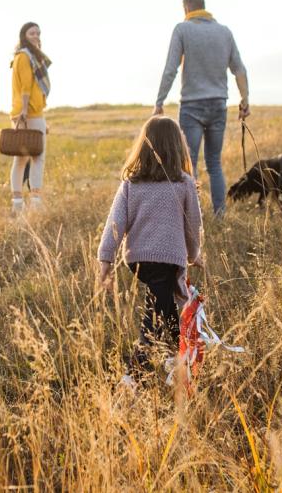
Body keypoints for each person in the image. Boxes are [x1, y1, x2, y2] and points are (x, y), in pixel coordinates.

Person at [98, 116, 203, 388]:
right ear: (177, 148)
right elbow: (193, 225)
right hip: (168, 259)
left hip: (138, 261)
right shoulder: (183, 183)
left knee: (164, 304)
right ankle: (133, 375)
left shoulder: (132, 183)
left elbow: (115, 224)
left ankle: (173, 357)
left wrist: (106, 260)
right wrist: (194, 254)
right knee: (153, 316)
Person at [154, 0, 250, 216]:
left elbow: (171, 69)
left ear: (187, 8)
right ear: (204, 7)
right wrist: (245, 99)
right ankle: (219, 216)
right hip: (218, 104)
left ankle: (191, 217)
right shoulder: (224, 32)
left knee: (189, 164)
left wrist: (159, 101)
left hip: (192, 106)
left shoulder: (182, 29)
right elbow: (239, 69)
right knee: (214, 163)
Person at [9, 22, 51, 212]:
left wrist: (43, 119)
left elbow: (34, 89)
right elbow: (25, 86)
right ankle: (34, 202)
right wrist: (25, 110)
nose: (36, 35)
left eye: (38, 33)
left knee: (22, 159)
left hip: (32, 112)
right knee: (36, 157)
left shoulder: (26, 56)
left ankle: (18, 204)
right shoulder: (26, 56)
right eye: (32, 32)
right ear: (24, 35)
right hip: (28, 112)